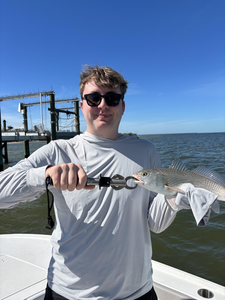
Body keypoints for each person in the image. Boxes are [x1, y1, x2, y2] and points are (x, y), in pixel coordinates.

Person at [0, 65, 218, 300]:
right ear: (82, 105)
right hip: (69, 292)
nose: (103, 105)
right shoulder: (57, 150)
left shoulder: (146, 151)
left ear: (122, 107)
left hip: (138, 291)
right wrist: (44, 175)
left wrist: (175, 199)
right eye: (93, 98)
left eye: (112, 98)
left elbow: (155, 224)